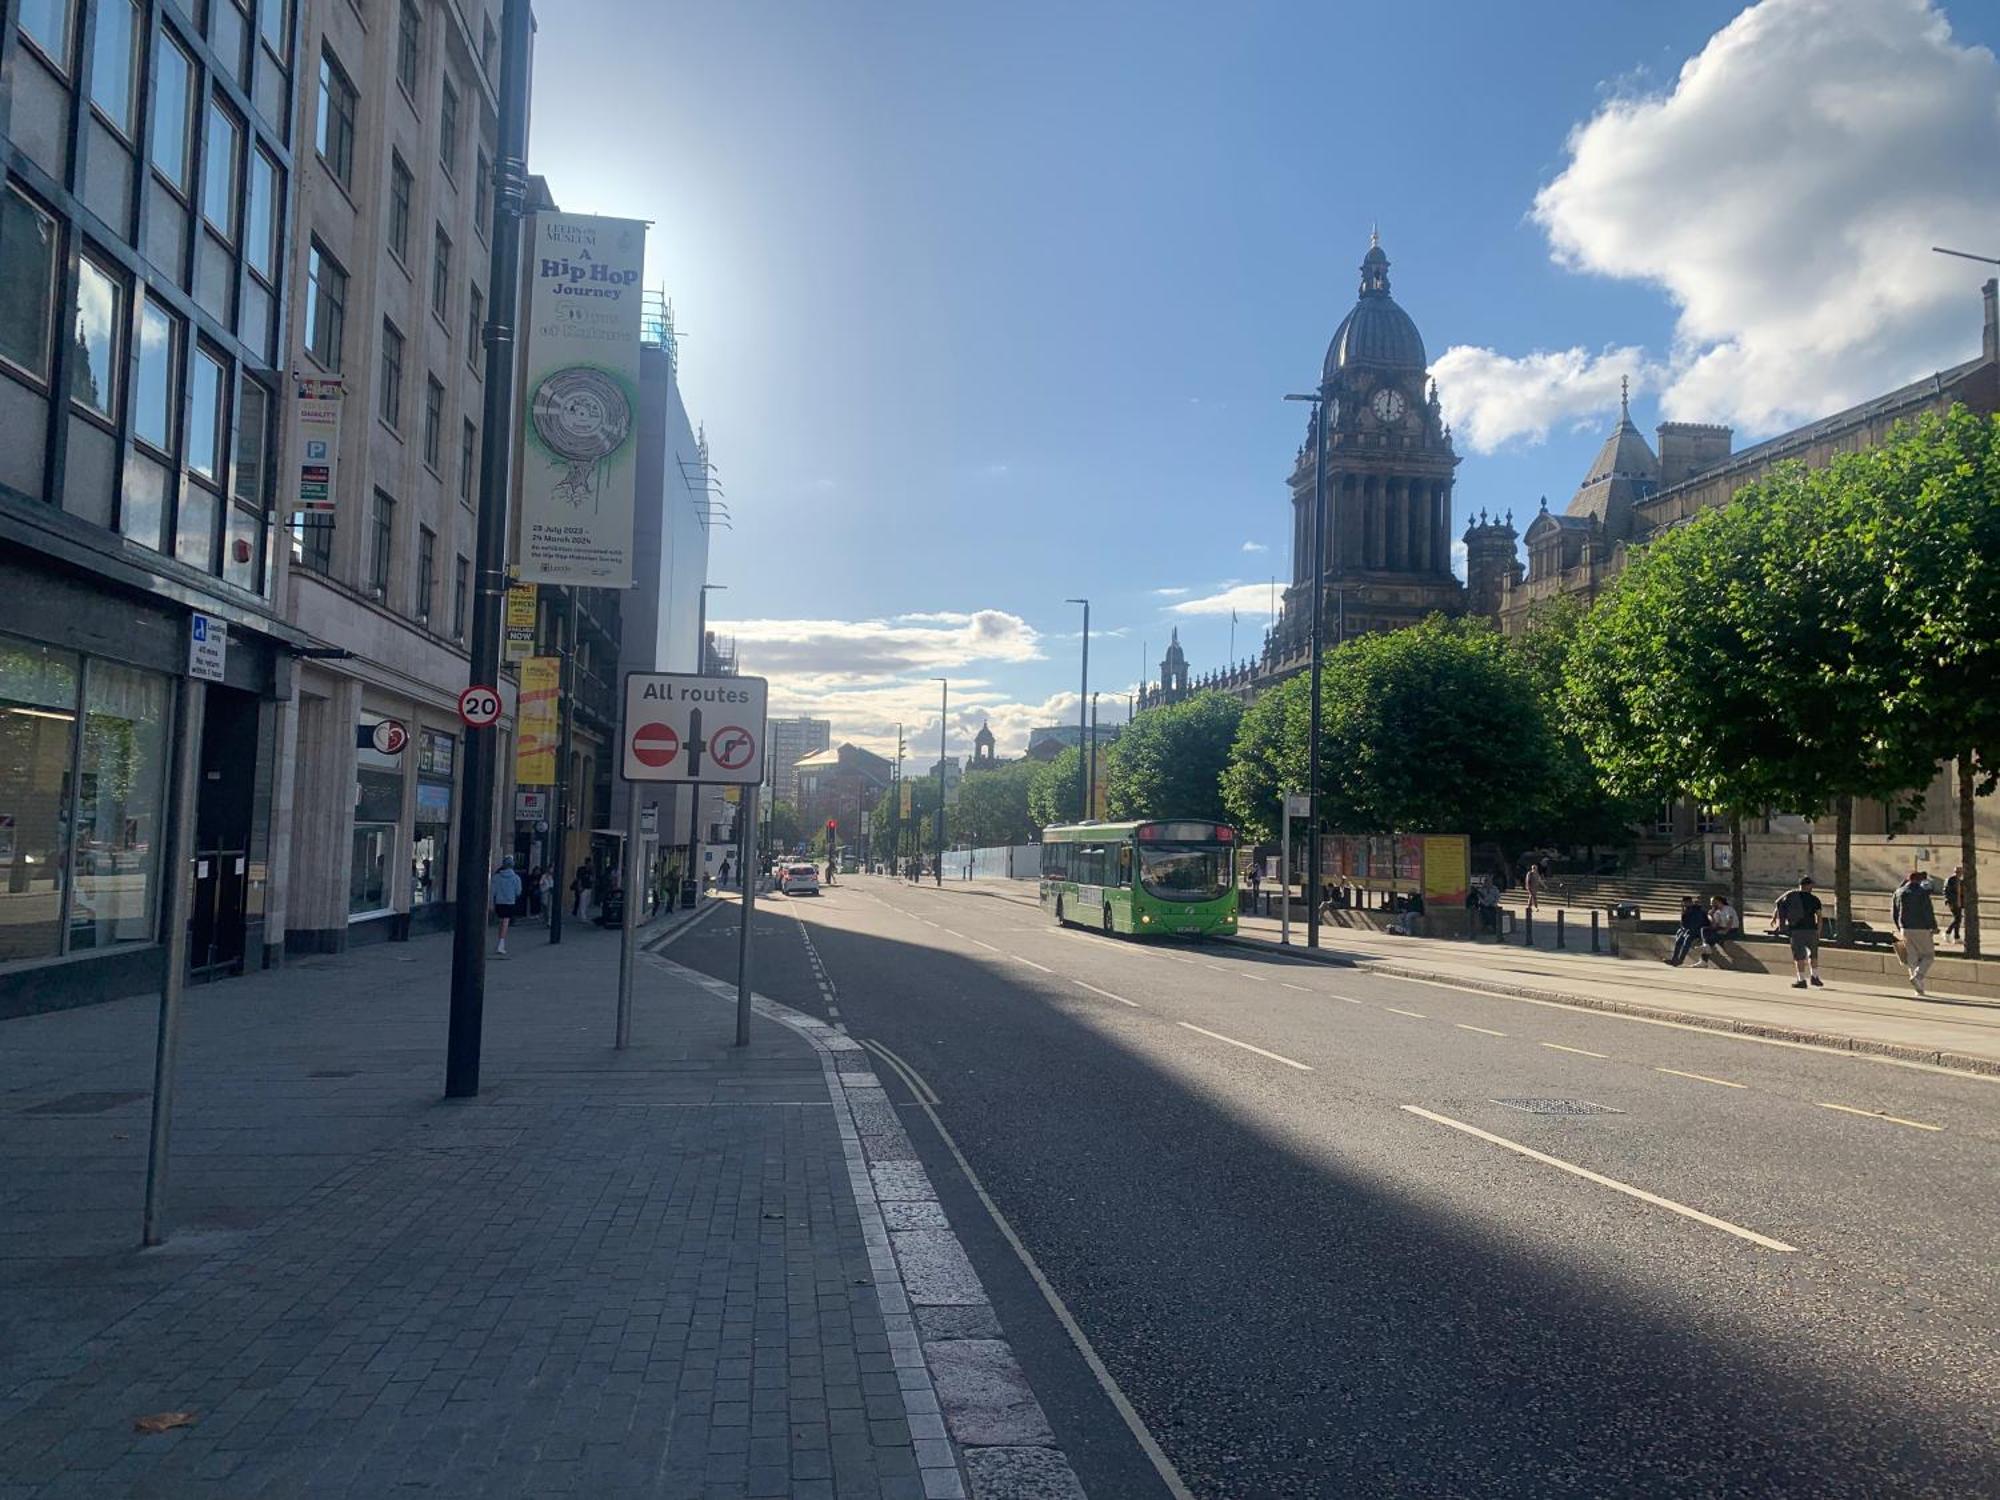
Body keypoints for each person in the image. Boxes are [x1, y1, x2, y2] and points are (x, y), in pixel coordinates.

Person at [1769, 875, 1824, 989]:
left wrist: (1775, 917)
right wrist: (1818, 931)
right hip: (1811, 930)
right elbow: (1819, 916)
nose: (1812, 887)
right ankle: (1815, 977)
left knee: (1799, 956)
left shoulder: (1790, 896)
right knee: (1813, 954)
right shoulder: (1814, 899)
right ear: (1807, 885)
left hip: (1796, 930)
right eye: (1811, 885)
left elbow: (1779, 905)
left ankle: (1801, 980)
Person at [1892, 868, 1940, 997]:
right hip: (1921, 928)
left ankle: (1919, 989)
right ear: (1920, 881)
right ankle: (1918, 977)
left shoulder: (1899, 892)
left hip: (1905, 928)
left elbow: (1894, 912)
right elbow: (1927, 911)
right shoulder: (1922, 893)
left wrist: (1899, 927)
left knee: (1912, 958)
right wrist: (1933, 926)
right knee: (1928, 956)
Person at [490, 855, 522, 957]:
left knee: (501, 922)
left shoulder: (497, 877)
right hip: (509, 902)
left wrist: (491, 902)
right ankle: (501, 943)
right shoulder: (516, 878)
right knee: (505, 922)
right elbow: (518, 892)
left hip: (499, 902)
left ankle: (500, 941)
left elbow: (492, 892)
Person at [1666, 895, 1710, 967]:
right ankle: (1674, 959)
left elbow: (1699, 923)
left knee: (1687, 940)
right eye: (1684, 903)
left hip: (1698, 931)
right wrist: (1683, 929)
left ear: (1690, 902)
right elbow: (1683, 923)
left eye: (1687, 902)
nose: (1685, 904)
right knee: (1679, 939)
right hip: (1689, 930)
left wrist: (1688, 930)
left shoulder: (1697, 910)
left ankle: (1680, 960)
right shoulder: (1686, 910)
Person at [1698, 894, 1738, 967]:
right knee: (1704, 930)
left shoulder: (1728, 909)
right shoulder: (1717, 911)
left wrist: (1725, 930)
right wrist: (1711, 916)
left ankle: (1703, 961)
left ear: (1718, 902)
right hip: (1721, 928)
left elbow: (1730, 921)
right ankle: (1705, 946)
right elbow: (1714, 926)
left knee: (1711, 939)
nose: (1711, 904)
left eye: (1712, 902)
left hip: (1732, 929)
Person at [1944, 864, 1965, 944]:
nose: (1960, 873)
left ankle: (1956, 937)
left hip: (1959, 902)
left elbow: (1962, 892)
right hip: (1953, 902)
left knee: (1958, 919)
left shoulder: (1960, 881)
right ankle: (1948, 932)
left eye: (1960, 872)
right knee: (1957, 919)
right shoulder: (1950, 880)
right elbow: (1946, 891)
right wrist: (1948, 901)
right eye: (1958, 872)